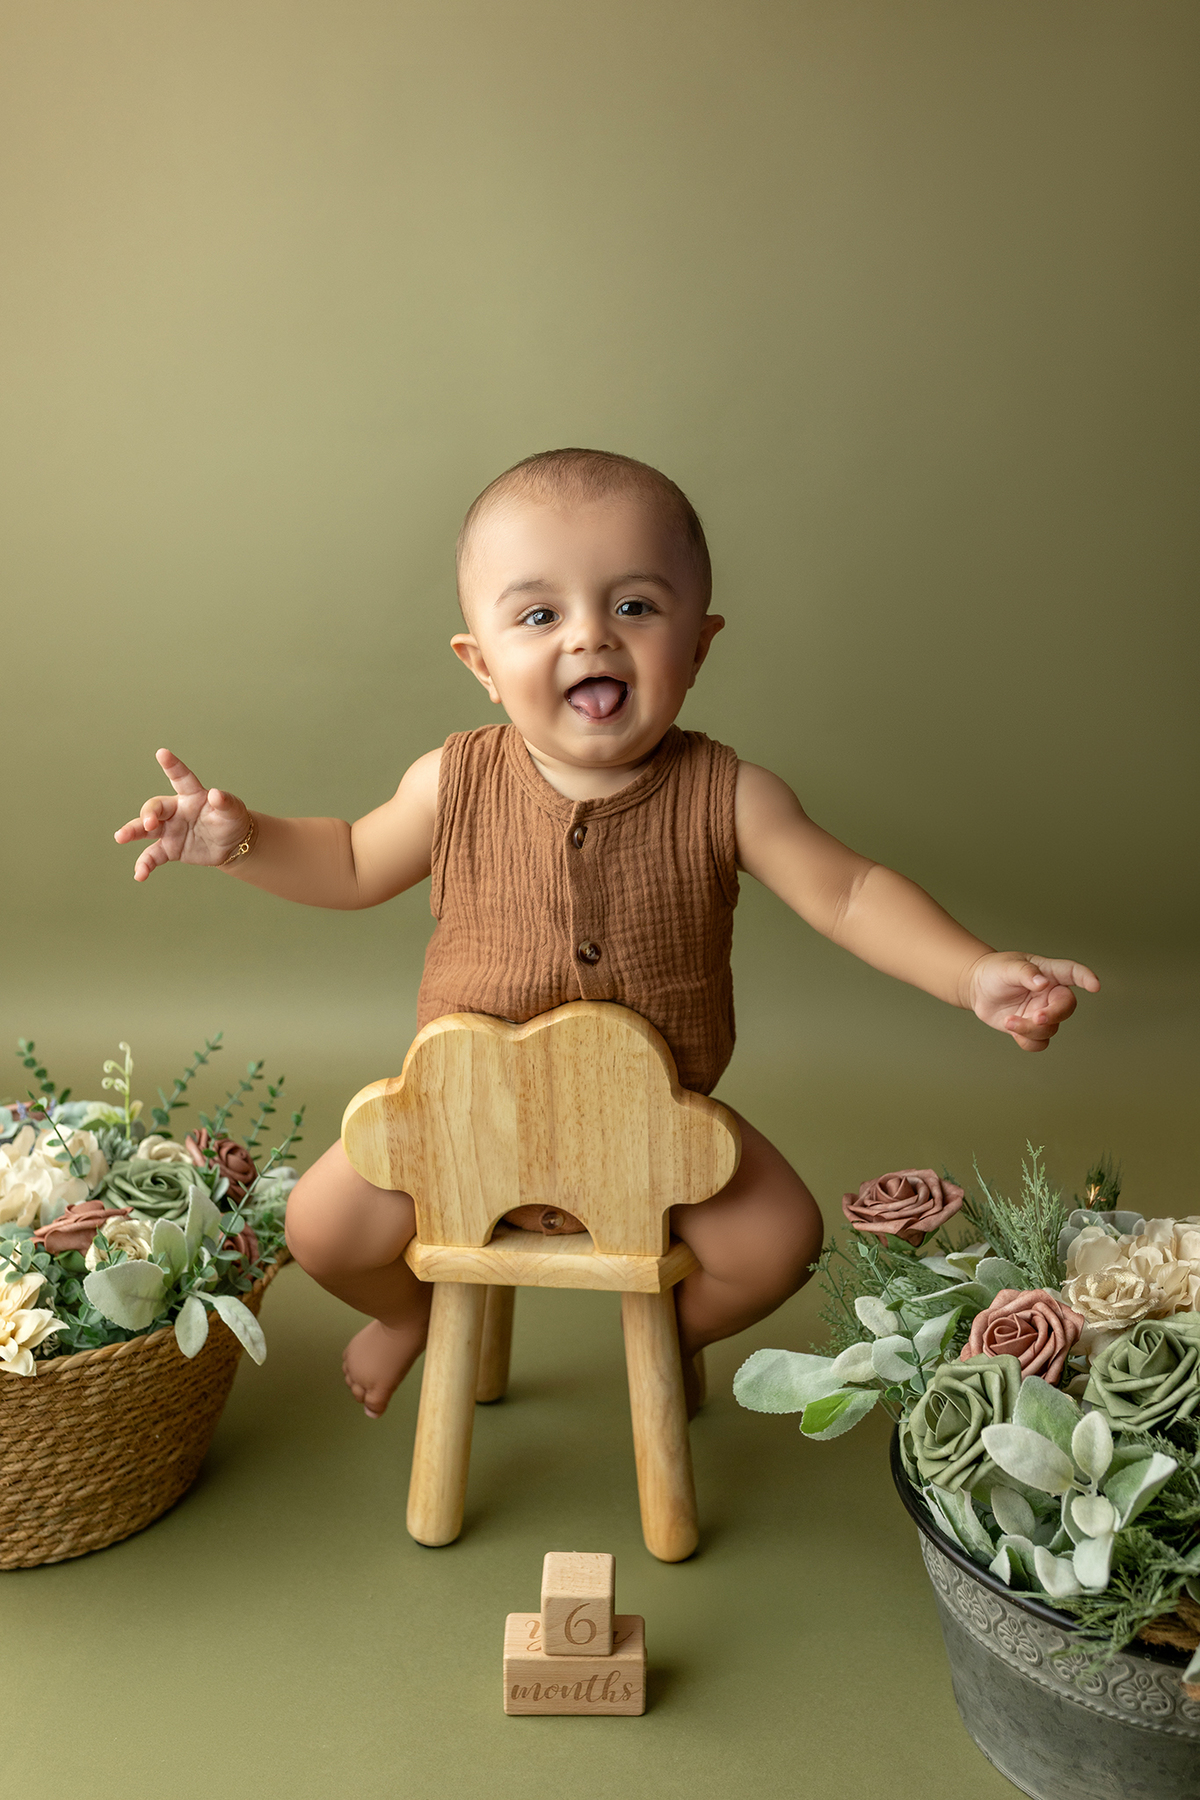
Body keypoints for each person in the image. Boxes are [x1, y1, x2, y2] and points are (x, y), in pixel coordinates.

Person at [115, 448, 1099, 1419]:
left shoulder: (730, 794)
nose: (591, 638)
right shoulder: (451, 782)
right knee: (319, 1228)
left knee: (782, 1241)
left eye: (634, 606)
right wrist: (243, 840)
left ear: (699, 645)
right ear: (482, 663)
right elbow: (349, 860)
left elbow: (847, 892)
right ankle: (410, 1316)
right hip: (461, 1123)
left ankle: (670, 1336)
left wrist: (972, 972)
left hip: (657, 1132)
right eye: (540, 615)